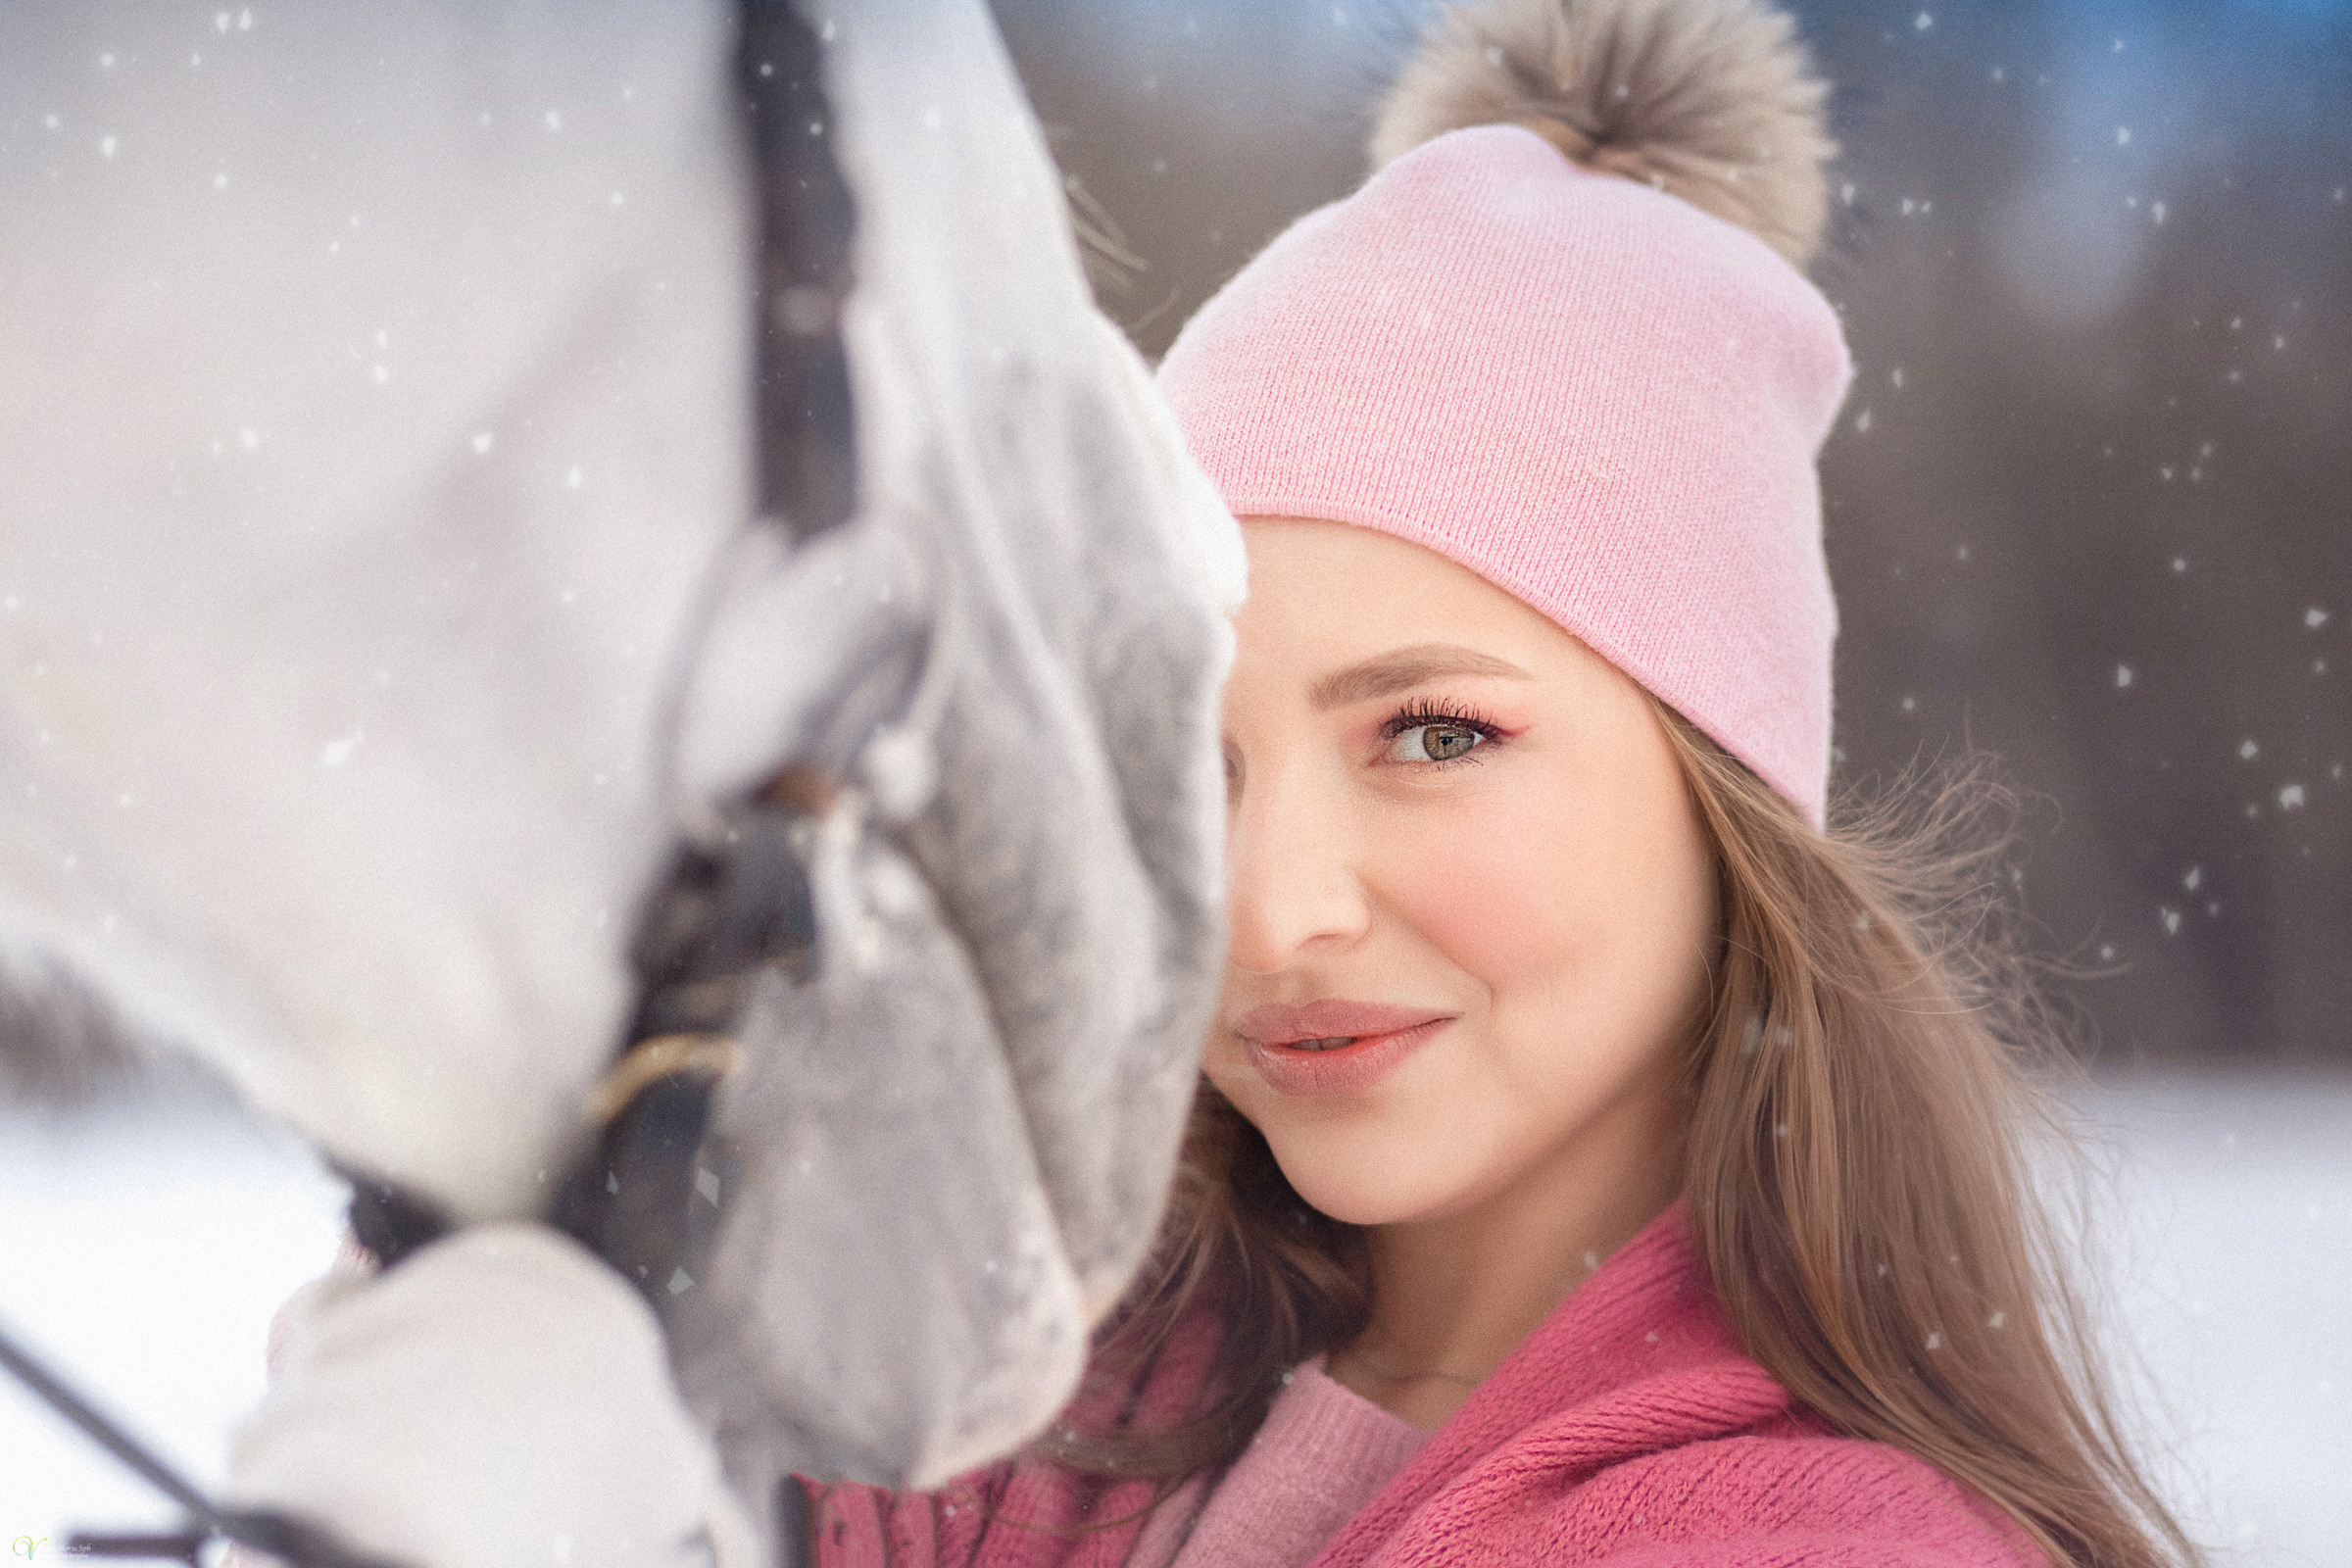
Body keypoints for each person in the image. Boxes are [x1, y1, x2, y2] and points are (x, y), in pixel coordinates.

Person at [792, 0, 2203, 1565]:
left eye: (1435, 734)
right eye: (1187, 764)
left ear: (1717, 780)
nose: (1266, 914)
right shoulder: (968, 1403)